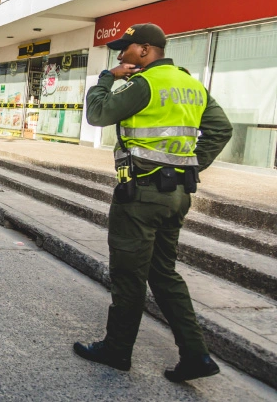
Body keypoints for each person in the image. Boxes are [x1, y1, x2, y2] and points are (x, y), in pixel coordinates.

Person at [74, 23, 233, 382]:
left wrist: (107, 78)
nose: (120, 55)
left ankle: (117, 350)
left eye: (126, 48)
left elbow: (98, 114)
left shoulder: (144, 83)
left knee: (129, 275)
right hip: (176, 195)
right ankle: (196, 355)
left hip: (140, 196)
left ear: (145, 50)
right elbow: (222, 129)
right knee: (164, 274)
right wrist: (189, 166)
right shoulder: (191, 84)